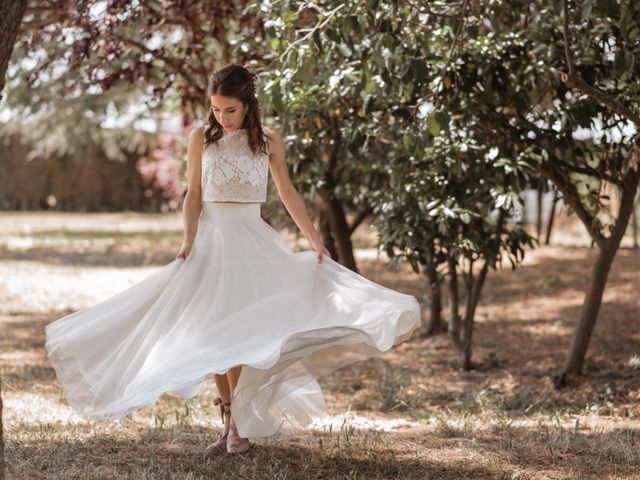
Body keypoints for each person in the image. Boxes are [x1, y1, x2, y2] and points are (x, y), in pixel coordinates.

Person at [44, 63, 422, 456]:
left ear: (247, 105)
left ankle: (236, 424)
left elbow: (287, 193)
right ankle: (229, 422)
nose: (221, 118)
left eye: (229, 110)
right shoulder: (200, 139)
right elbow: (193, 195)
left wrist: (313, 239)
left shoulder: (269, 141)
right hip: (212, 241)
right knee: (213, 333)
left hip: (252, 241)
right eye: (216, 109)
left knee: (241, 334)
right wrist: (188, 239)